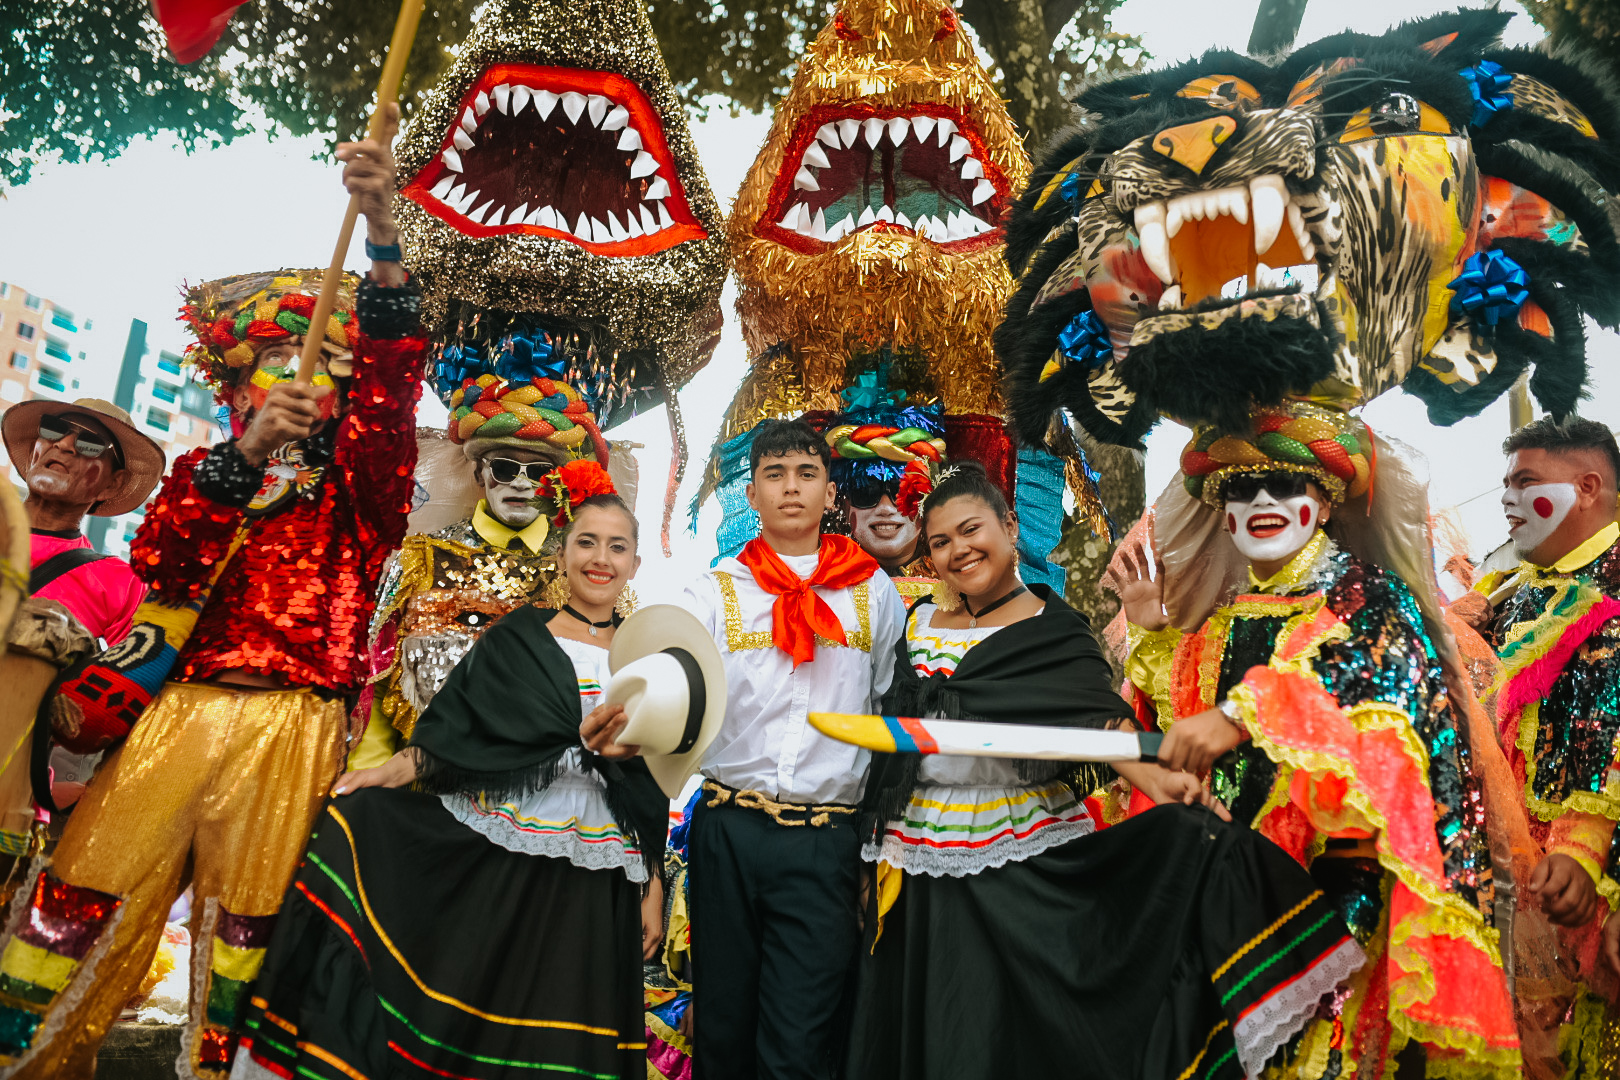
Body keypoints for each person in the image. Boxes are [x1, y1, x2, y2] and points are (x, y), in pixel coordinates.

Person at [0, 109, 426, 1079]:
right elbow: (164, 569)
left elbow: (397, 392)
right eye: (275, 375)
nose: (296, 388)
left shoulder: (362, 491)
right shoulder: (202, 477)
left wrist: (386, 230)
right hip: (175, 718)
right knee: (72, 910)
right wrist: (246, 454)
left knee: (248, 950)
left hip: (299, 728)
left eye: (317, 375)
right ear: (241, 390)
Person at [845, 461, 1359, 1080]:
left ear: (1011, 527)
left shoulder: (1055, 630)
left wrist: (1160, 782)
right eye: (940, 542)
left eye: (972, 529)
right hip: (907, 854)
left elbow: (1101, 726)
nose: (959, 550)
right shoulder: (912, 622)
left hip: (1013, 854)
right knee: (916, 1022)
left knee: (994, 1028)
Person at [1117, 401, 1519, 1078]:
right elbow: (1182, 726)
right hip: (1231, 889)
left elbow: (1364, 687)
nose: (1263, 501)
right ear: (1221, 510)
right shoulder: (1216, 624)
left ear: (1326, 503)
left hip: (1334, 896)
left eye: (1287, 485)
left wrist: (1241, 715)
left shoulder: (1375, 603)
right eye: (1242, 488)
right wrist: (1150, 626)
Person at [235, 479, 669, 1080]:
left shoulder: (651, 660)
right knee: (474, 992)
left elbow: (651, 785)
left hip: (601, 860)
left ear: (635, 562)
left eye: (617, 547)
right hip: (503, 836)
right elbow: (459, 730)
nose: (601, 559)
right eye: (587, 543)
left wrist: (651, 884)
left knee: (562, 1013)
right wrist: (387, 771)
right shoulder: (520, 635)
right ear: (563, 553)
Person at [669, 417, 905, 1080]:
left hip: (824, 841)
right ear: (753, 492)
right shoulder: (714, 590)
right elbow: (669, 689)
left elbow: (888, 712)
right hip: (727, 830)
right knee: (722, 1027)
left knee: (801, 1041)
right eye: (775, 474)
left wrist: (873, 848)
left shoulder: (874, 592)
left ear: (831, 491)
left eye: (806, 473)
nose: (791, 488)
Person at [350, 375, 613, 768]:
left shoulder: (584, 574)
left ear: (555, 482)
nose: (522, 484)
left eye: (538, 471)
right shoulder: (420, 562)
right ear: (480, 475)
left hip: (542, 797)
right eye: (505, 468)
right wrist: (368, 790)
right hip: (425, 789)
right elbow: (379, 681)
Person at [0, 397, 163, 643]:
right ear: (35, 453)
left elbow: (131, 672)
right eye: (53, 429)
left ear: (111, 484)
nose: (64, 444)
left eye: (90, 443)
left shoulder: (120, 585)